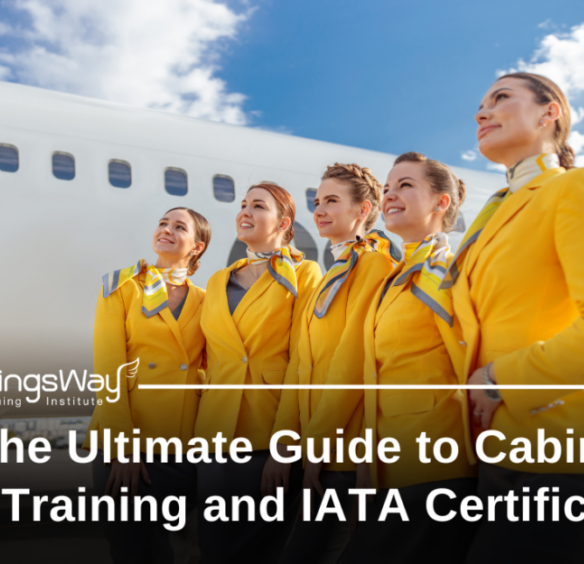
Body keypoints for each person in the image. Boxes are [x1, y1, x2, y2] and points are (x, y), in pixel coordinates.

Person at [446, 72, 584, 563]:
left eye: (500, 98)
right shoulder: (496, 215)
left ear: (548, 112)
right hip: (499, 453)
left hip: (559, 452)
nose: (481, 112)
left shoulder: (578, 188)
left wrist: (499, 379)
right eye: (480, 104)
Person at [340, 152, 478, 564]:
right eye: (387, 187)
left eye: (405, 185)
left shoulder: (443, 273)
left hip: (435, 469)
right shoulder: (397, 277)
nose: (389, 195)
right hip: (391, 470)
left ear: (441, 203)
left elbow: (473, 366)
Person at [268, 163, 400, 563]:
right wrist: (284, 445)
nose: (319, 210)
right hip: (318, 452)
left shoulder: (375, 264)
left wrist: (319, 446)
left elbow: (352, 361)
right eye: (317, 202)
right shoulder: (333, 273)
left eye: (331, 201)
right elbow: (301, 366)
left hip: (343, 455)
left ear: (363, 210)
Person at [194, 182, 322, 564]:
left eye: (258, 206)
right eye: (243, 205)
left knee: (257, 549)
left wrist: (285, 448)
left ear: (284, 222)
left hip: (268, 434)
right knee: (213, 547)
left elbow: (304, 360)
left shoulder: (305, 273)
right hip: (214, 436)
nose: (245, 212)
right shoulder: (218, 280)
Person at [85, 207, 211, 564]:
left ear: (197, 246)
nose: (165, 230)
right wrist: (124, 449)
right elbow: (109, 369)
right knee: (134, 549)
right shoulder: (122, 287)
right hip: (126, 441)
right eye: (162, 223)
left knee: (185, 550)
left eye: (178, 226)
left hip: (184, 446)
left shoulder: (206, 300)